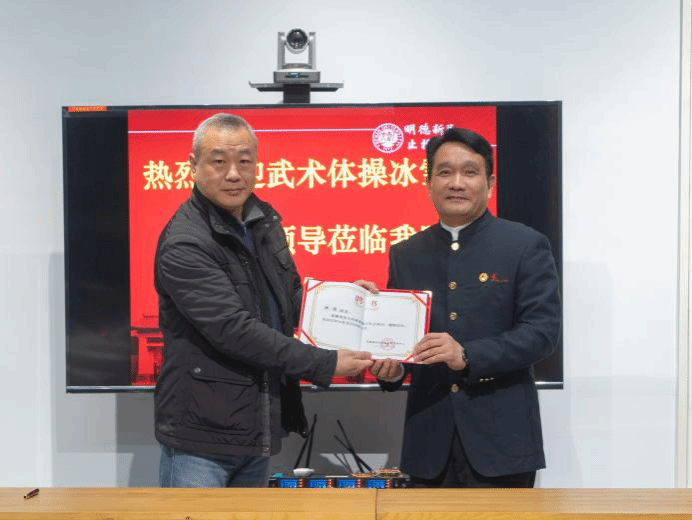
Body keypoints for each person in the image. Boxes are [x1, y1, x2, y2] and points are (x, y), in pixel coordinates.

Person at [154, 113, 373, 488]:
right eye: (219, 162)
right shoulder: (185, 242)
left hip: (253, 427)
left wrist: (343, 301)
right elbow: (233, 331)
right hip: (201, 437)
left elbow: (289, 296)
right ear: (193, 166)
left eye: (244, 161)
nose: (233, 174)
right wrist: (324, 363)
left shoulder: (263, 222)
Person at [370, 127, 561, 488]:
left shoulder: (523, 244)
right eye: (445, 172)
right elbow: (403, 345)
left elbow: (542, 333)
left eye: (469, 172)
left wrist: (467, 355)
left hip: (503, 444)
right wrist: (390, 368)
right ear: (429, 183)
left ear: (490, 183)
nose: (456, 183)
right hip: (428, 443)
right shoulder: (406, 253)